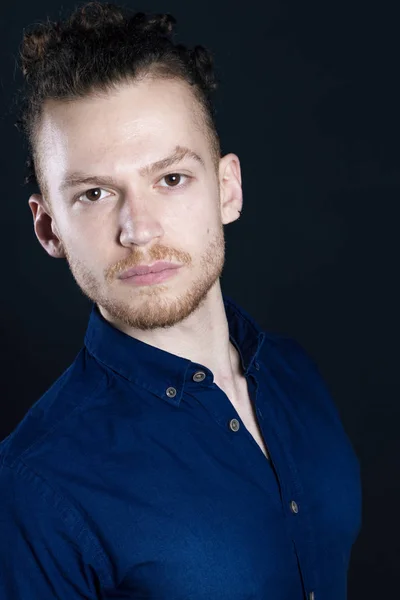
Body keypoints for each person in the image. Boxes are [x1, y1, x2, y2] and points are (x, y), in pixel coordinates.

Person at [0, 2, 362, 598]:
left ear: (227, 189)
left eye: (170, 179)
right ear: (49, 229)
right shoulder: (35, 487)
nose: (139, 231)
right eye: (94, 193)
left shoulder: (295, 374)